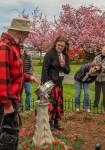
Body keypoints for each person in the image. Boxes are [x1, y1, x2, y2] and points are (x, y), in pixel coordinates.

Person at [0, 17, 40, 149]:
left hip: (12, 100)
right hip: (5, 102)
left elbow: (14, 72)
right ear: (18, 32)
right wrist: (6, 104)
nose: (28, 35)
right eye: (26, 32)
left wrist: (29, 77)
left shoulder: (14, 47)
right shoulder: (5, 47)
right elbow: (2, 78)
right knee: (6, 138)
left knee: (11, 137)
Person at [41, 35, 70, 131]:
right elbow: (44, 70)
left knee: (58, 104)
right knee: (51, 104)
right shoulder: (49, 54)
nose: (60, 47)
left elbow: (67, 71)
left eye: (62, 46)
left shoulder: (65, 56)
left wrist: (63, 65)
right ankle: (49, 124)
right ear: (55, 44)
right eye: (59, 45)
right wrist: (46, 86)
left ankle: (56, 123)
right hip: (51, 84)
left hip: (59, 84)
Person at [93, 45, 105, 110]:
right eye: (103, 50)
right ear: (101, 50)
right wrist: (96, 67)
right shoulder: (97, 57)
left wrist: (99, 67)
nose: (104, 52)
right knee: (97, 93)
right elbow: (93, 65)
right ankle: (95, 105)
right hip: (97, 78)